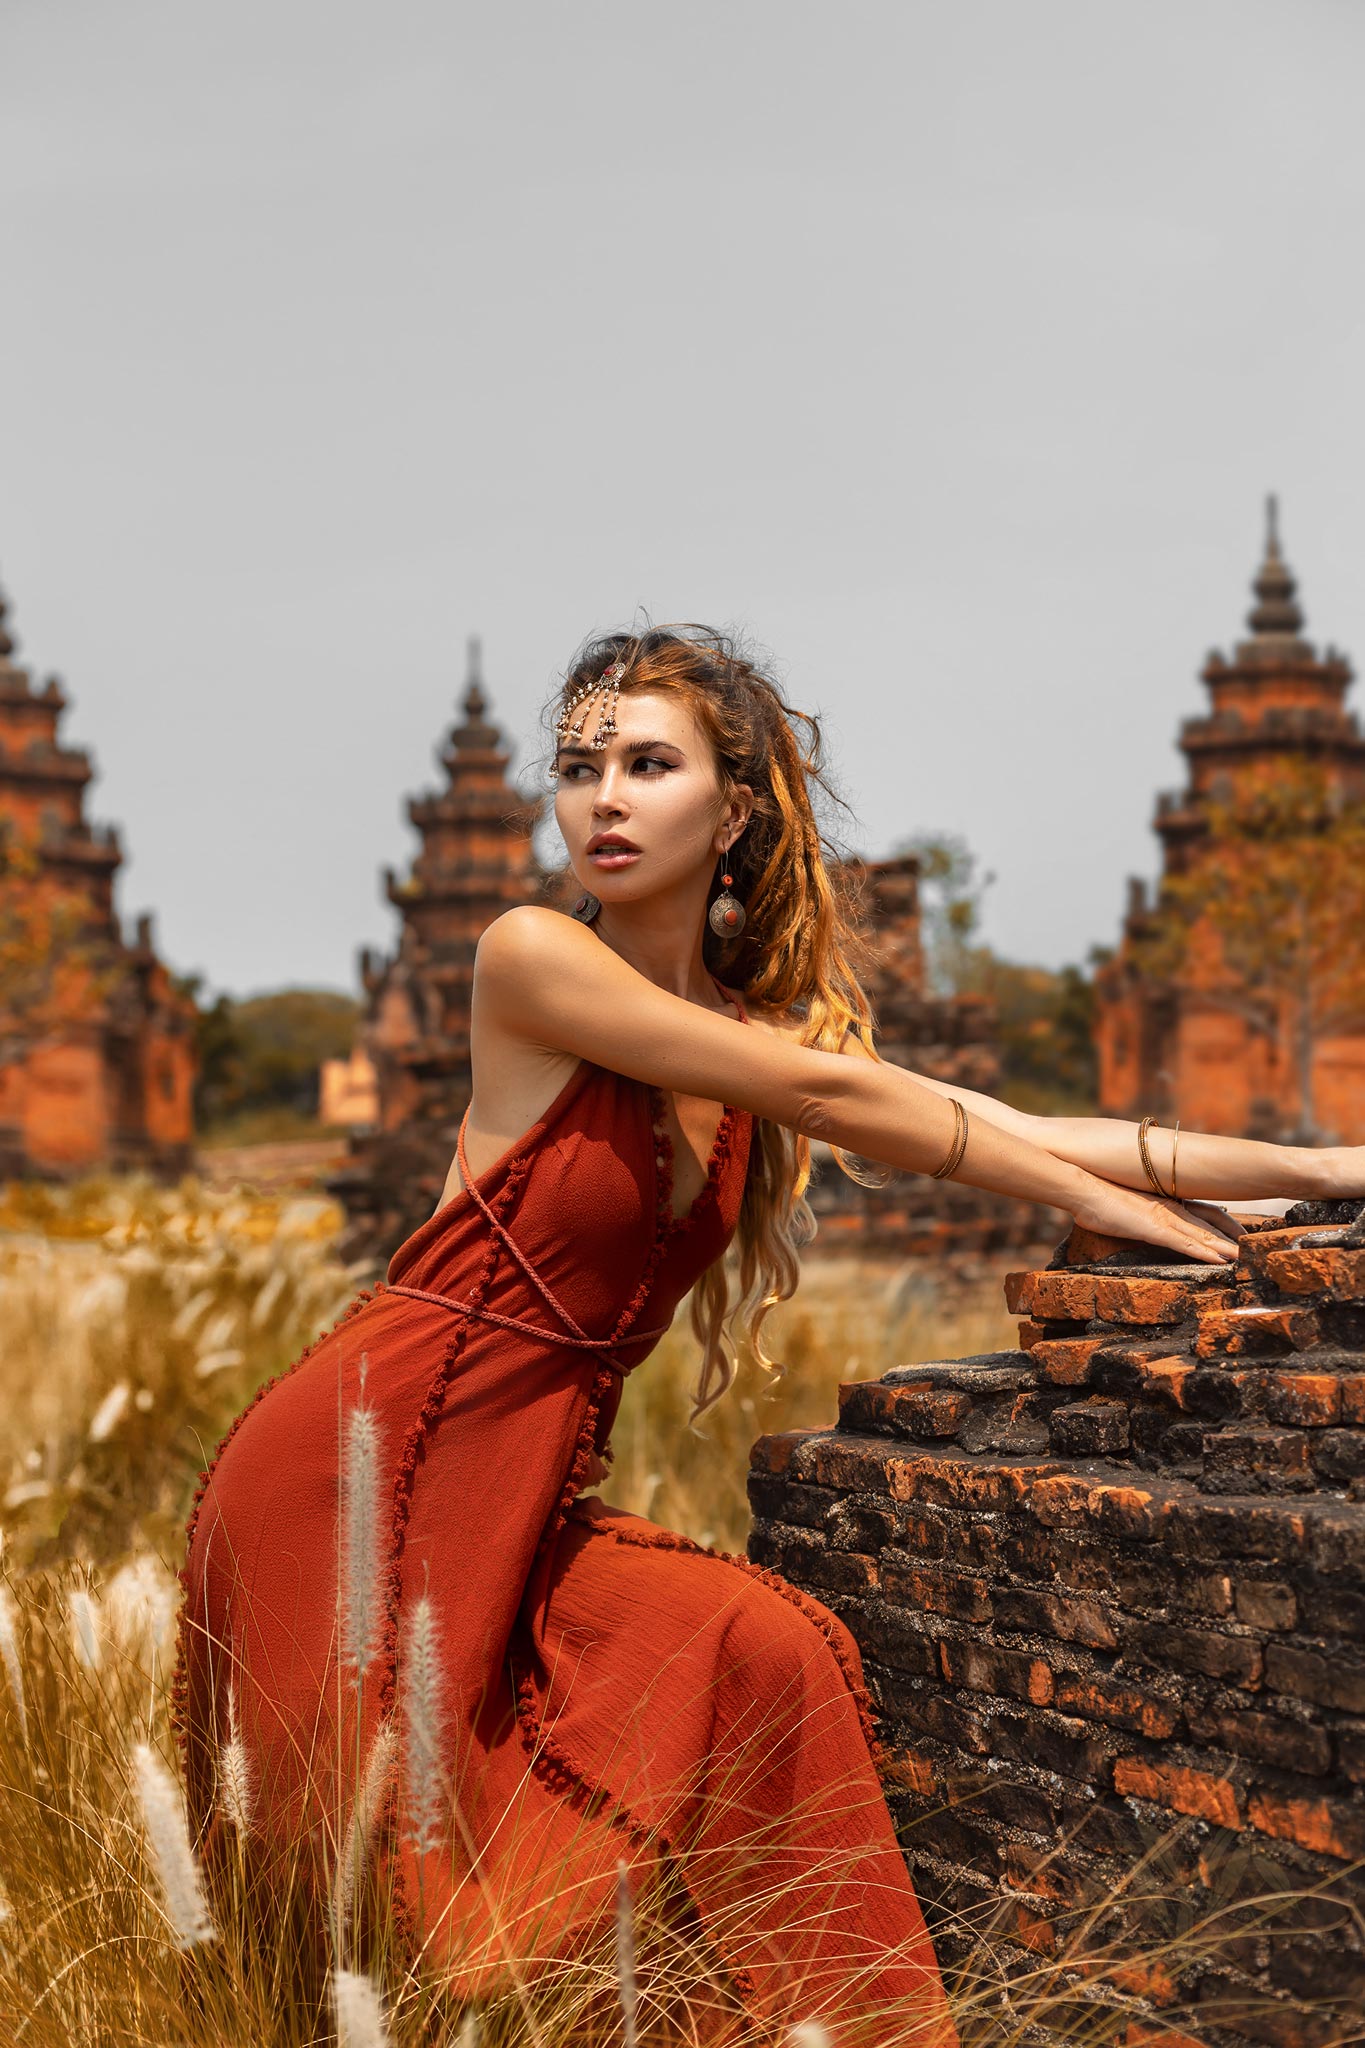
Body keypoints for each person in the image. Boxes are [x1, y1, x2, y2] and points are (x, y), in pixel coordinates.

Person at [176, 627, 1359, 2046]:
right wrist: (1058, 1186)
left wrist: (1322, 1165)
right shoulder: (532, 959)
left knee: (759, 1653)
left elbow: (1023, 1124)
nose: (600, 797)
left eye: (647, 764)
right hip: (357, 1476)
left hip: (519, 1503)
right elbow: (873, 1112)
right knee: (410, 1924)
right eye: (577, 767)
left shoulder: (747, 1032)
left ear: (733, 809)